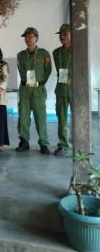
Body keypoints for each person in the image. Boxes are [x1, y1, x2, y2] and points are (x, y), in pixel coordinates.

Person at [16, 27, 52, 154]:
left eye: (30, 36)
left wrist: (40, 83)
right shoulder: (20, 55)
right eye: (26, 37)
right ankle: (24, 141)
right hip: (25, 89)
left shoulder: (44, 54)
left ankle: (43, 143)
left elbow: (48, 70)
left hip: (38, 89)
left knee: (40, 117)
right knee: (23, 117)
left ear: (36, 38)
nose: (28, 39)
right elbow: (20, 71)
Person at [53, 24, 72, 156]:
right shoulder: (56, 53)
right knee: (62, 118)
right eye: (60, 34)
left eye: (65, 34)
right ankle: (63, 145)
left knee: (79, 117)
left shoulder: (79, 50)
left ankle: (80, 143)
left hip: (75, 89)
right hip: (61, 89)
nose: (61, 37)